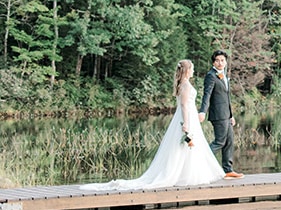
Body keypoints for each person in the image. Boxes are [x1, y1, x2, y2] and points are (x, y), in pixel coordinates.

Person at [81, 60, 225, 190]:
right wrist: (186, 123)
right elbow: (184, 105)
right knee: (184, 146)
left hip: (188, 117)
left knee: (186, 147)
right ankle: (181, 175)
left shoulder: (183, 84)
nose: (193, 71)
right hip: (187, 118)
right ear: (187, 70)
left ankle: (186, 173)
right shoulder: (186, 85)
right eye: (192, 69)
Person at [198, 50, 243, 179]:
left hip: (226, 115)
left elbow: (227, 97)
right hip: (218, 115)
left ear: (225, 62)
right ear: (213, 62)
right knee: (220, 141)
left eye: (222, 60)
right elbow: (207, 95)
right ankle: (201, 159)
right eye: (217, 60)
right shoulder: (211, 76)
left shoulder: (224, 75)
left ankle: (228, 170)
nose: (220, 63)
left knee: (229, 141)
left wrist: (231, 115)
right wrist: (202, 111)